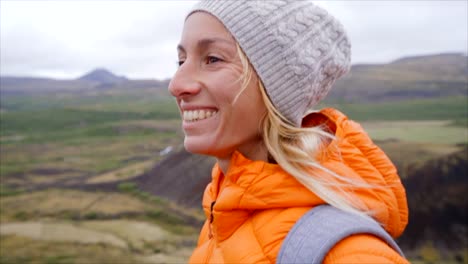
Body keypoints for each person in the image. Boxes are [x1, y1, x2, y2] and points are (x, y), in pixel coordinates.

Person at [168, 0, 409, 263]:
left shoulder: (348, 254)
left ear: (276, 88)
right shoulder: (224, 217)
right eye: (181, 60)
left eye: (212, 59)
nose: (176, 84)